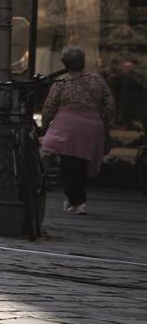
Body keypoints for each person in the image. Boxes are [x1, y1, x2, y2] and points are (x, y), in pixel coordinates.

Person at [41, 45, 115, 215]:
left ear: (64, 62)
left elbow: (50, 106)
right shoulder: (97, 80)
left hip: (67, 127)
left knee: (68, 164)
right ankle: (77, 198)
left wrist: (44, 125)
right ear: (83, 62)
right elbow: (109, 104)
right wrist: (106, 122)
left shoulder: (62, 82)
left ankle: (77, 202)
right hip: (92, 126)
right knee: (82, 162)